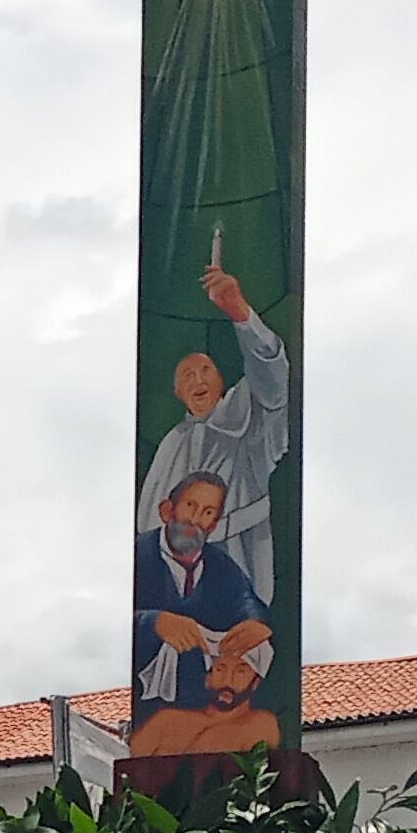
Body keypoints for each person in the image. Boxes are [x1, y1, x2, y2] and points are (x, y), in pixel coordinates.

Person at [135, 251, 291, 605]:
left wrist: (239, 312)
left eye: (206, 371)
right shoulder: (173, 443)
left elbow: (273, 378)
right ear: (178, 392)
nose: (198, 380)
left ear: (222, 381)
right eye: (187, 376)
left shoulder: (249, 417)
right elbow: (149, 516)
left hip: (239, 561)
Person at [131, 472, 275, 750]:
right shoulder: (136, 557)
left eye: (208, 512)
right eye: (190, 506)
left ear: (214, 525)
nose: (195, 520)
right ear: (166, 510)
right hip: (140, 707)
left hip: (202, 704)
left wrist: (256, 623)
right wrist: (154, 622)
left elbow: (245, 600)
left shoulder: (221, 567)